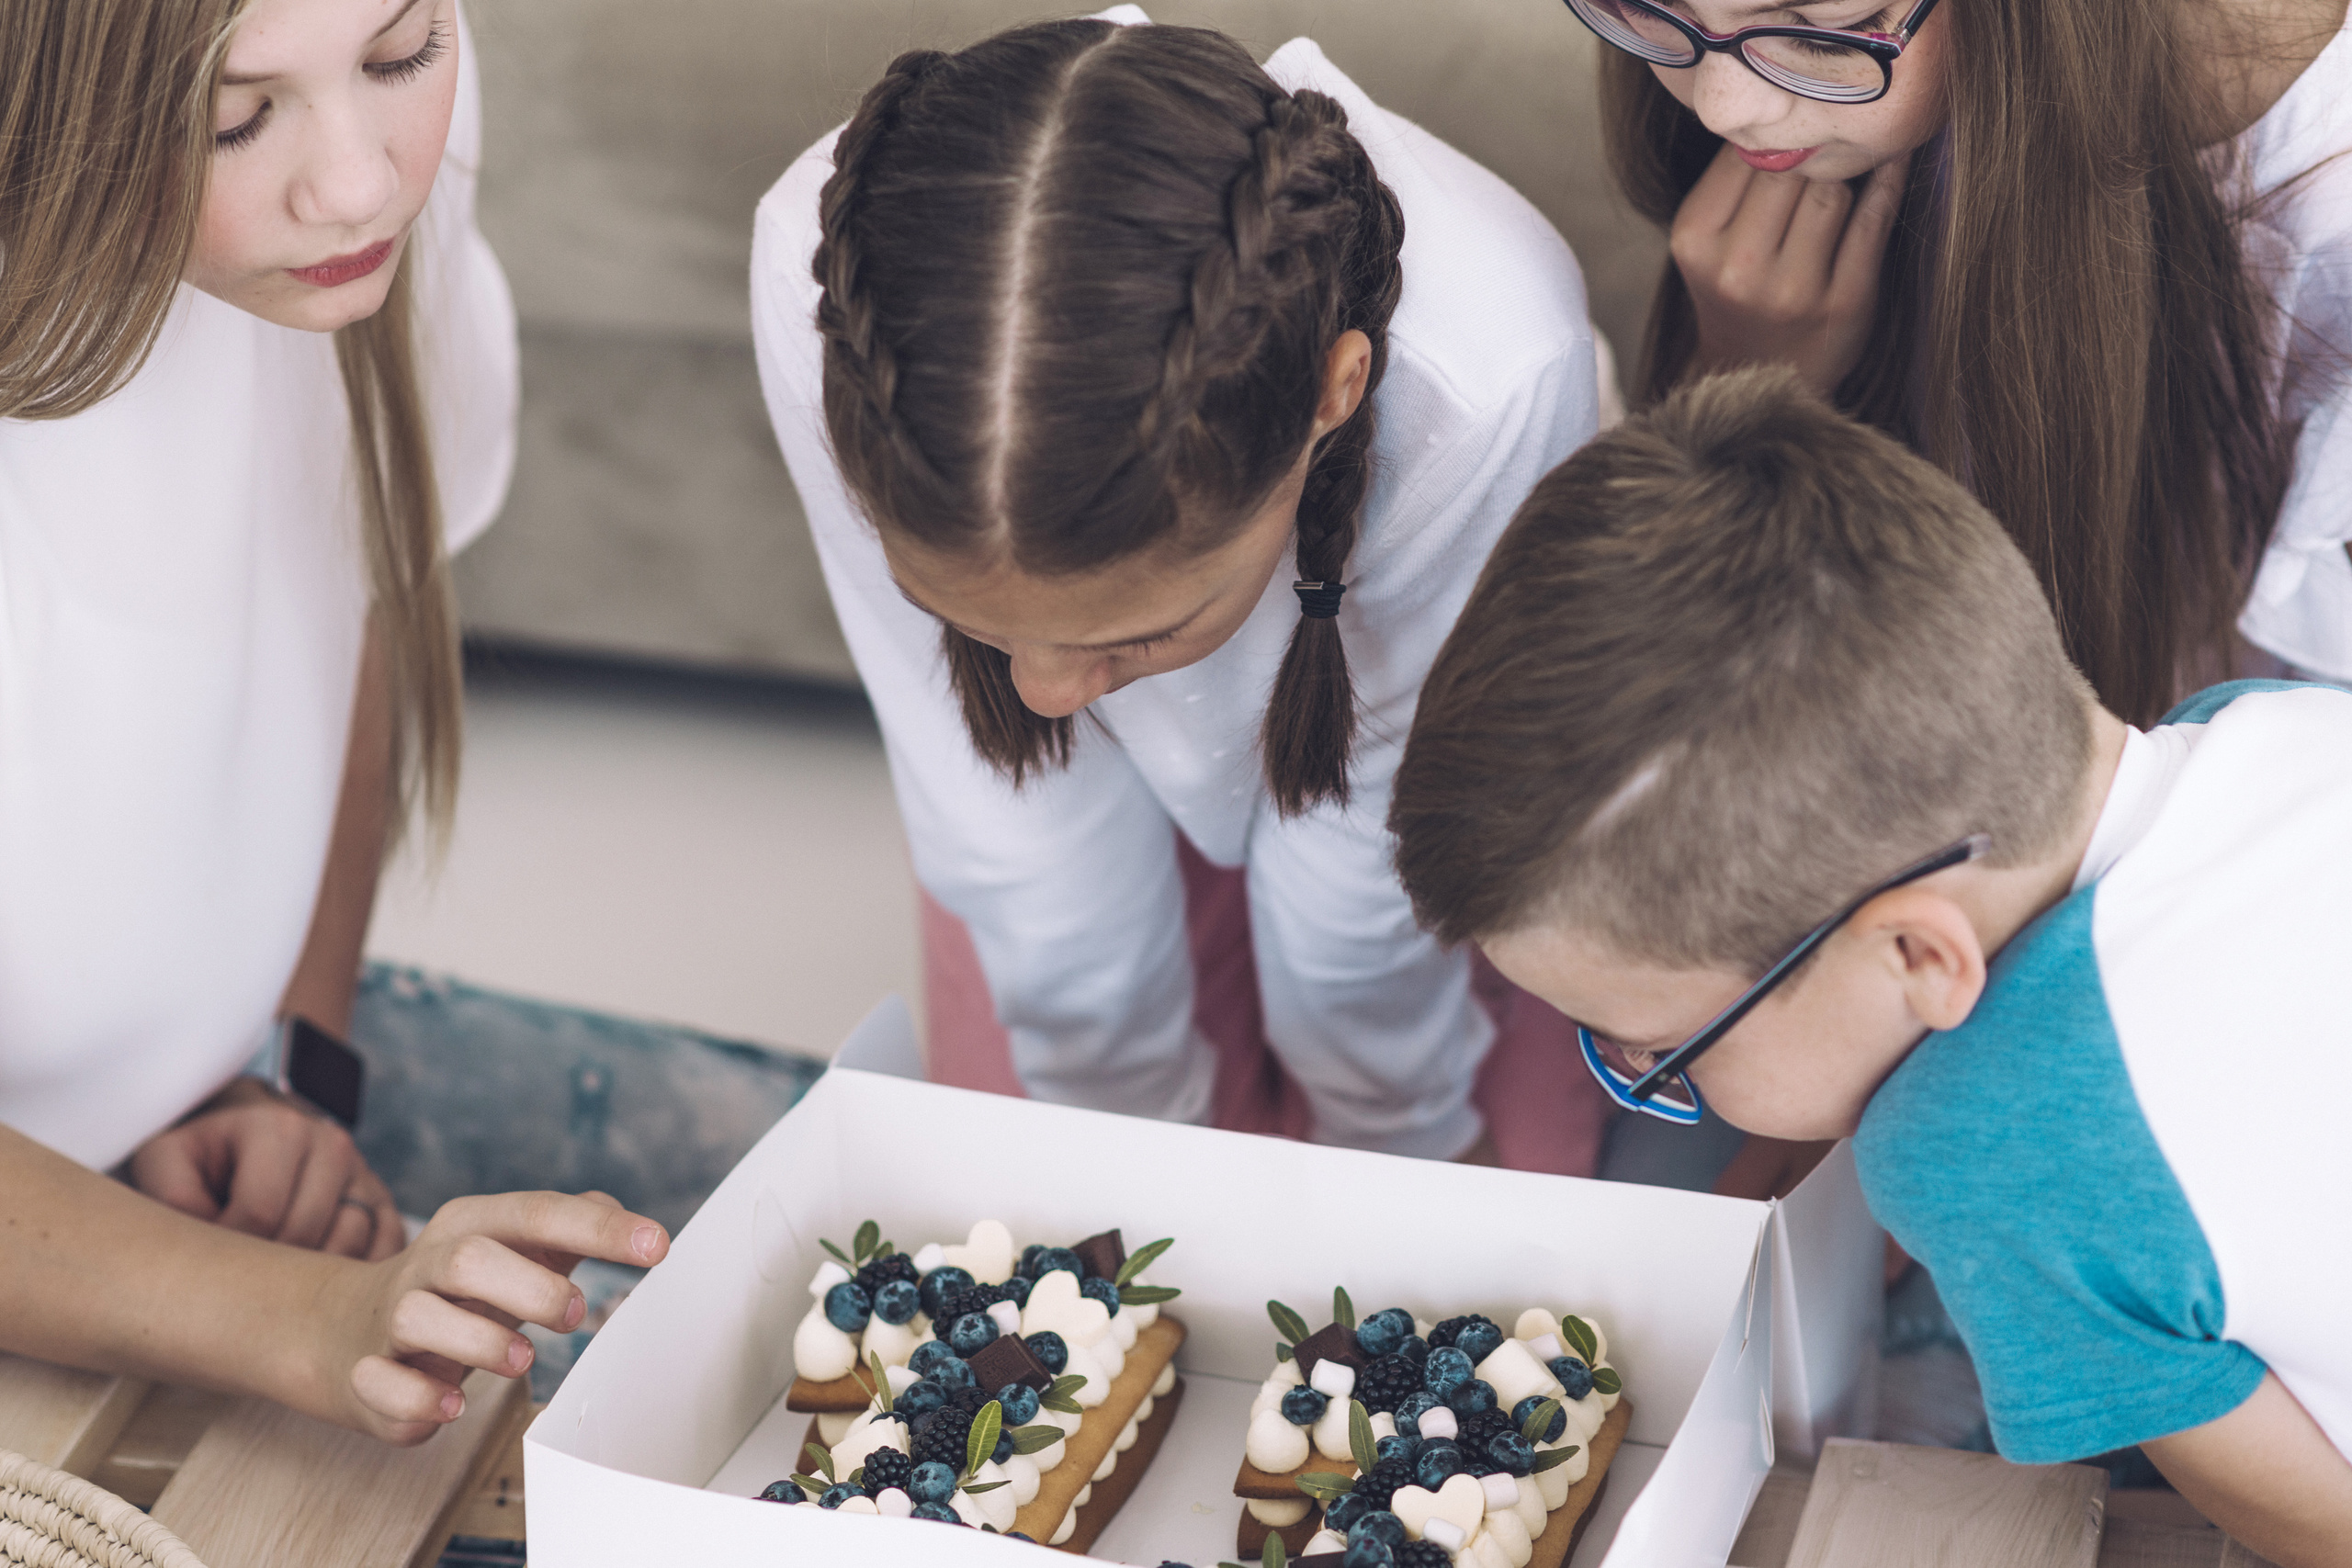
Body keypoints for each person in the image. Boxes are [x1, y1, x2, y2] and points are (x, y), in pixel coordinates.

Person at [1387, 367, 2352, 1567]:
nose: (1641, 1068)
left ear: (1917, 952)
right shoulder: (2260, 722)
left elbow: (2317, 1521)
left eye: (1662, 1048)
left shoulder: (1975, 1152)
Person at [752, 9, 1612, 1172]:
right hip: (1076, 830)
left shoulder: (1498, 377)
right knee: (1037, 1145)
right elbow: (1009, 814)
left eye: (1144, 630)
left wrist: (1387, 1141)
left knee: (1496, 1183)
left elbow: (1377, 829)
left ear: (1333, 394)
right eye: (969, 621)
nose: (1048, 693)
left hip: (1416, 806)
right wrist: (1130, 1135)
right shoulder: (829, 302)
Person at [0, 0, 664, 1442]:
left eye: (403, 53)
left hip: (207, 1128)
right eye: (233, 117)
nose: (360, 180)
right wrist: (299, 1318)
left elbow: (350, 591)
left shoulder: (344, 182)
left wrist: (295, 1056)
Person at [1568, 0, 2352, 722]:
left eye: (1817, 32)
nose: (1721, 107)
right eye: (1649, 3)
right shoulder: (1796, 94)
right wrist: (1739, 377)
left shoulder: (2323, 215)